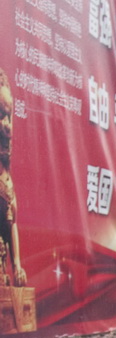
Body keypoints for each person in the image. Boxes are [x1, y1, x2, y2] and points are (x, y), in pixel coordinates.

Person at [0, 68, 26, 288]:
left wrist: (17, 265)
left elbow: (12, 225)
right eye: (1, 116)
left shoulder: (6, 182)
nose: (6, 126)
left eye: (8, 117)